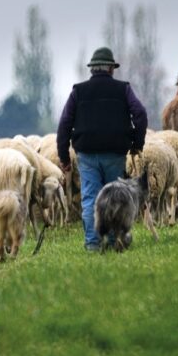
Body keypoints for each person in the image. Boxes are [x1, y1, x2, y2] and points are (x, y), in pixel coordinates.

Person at [56, 46, 148, 252]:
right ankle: (115, 241)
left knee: (90, 198)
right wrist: (136, 143)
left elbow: (64, 124)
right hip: (115, 154)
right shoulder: (123, 88)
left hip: (87, 154)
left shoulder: (78, 91)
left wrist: (64, 157)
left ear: (92, 69)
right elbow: (140, 114)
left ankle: (93, 244)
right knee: (116, 197)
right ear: (111, 69)